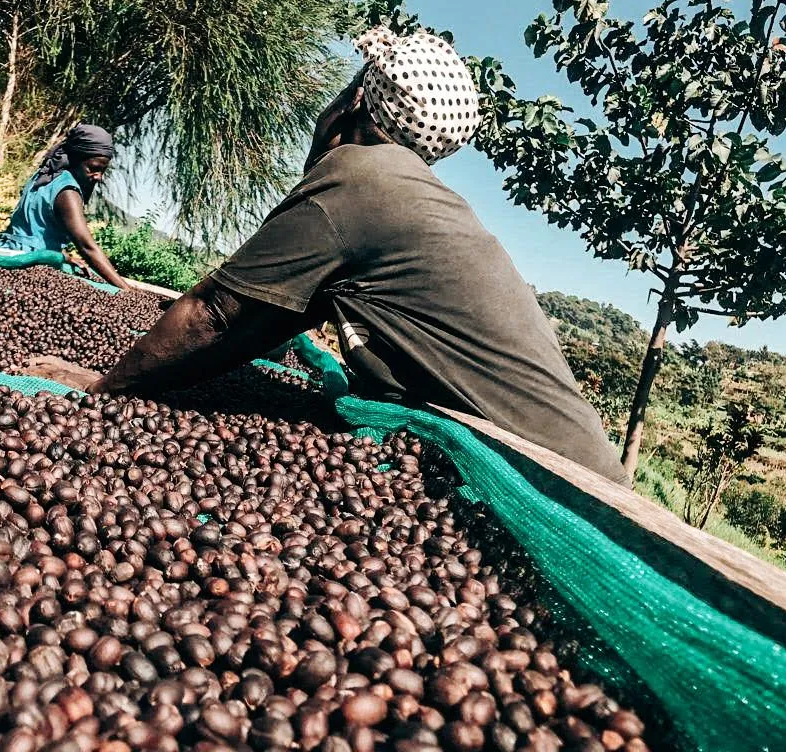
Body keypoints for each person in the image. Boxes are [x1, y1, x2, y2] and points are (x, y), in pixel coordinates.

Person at [89, 26, 628, 485]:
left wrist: (102, 392)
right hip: (571, 470)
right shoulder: (407, 193)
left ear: (353, 101)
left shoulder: (360, 176)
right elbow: (258, 323)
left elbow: (213, 316)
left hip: (550, 487)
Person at [0, 123, 129, 290]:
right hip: (30, 265)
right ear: (76, 159)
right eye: (93, 168)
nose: (98, 177)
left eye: (103, 171)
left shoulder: (44, 175)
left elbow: (37, 228)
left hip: (3, 254)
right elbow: (87, 247)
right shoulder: (67, 191)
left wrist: (64, 257)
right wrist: (127, 290)